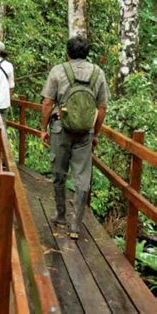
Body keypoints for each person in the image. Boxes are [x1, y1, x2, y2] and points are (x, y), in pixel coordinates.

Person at [40, 36, 109, 240]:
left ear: (67, 53)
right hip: (85, 133)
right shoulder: (98, 73)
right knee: (82, 178)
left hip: (61, 129)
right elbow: (102, 107)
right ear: (87, 53)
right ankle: (75, 226)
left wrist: (43, 129)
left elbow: (47, 103)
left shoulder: (59, 71)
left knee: (59, 172)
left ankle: (60, 215)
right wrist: (95, 133)